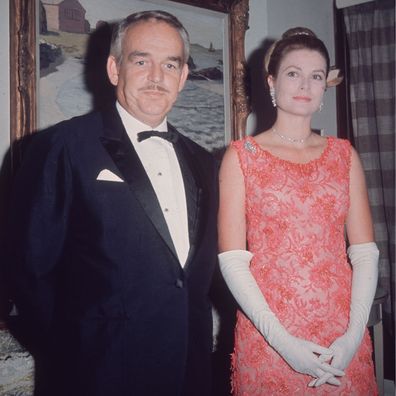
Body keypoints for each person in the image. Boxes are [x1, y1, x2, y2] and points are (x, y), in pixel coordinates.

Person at [6, 10, 218, 396]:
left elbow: (199, 277)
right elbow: (27, 272)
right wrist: (73, 359)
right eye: (141, 61)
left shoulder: (205, 162)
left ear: (184, 76)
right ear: (114, 69)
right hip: (96, 377)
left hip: (191, 375)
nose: (157, 77)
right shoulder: (61, 147)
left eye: (170, 64)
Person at [217, 27, 379, 395]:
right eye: (293, 73)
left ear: (325, 87)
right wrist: (284, 344)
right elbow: (232, 259)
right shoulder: (242, 157)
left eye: (316, 75)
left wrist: (354, 336)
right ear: (272, 81)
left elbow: (365, 252)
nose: (305, 84)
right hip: (270, 335)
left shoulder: (344, 156)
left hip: (340, 333)